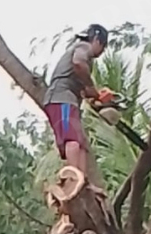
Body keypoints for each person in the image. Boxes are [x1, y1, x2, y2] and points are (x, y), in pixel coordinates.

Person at [42, 23, 113, 183]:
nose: (102, 51)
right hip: (61, 98)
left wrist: (99, 96)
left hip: (69, 100)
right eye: (103, 46)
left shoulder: (88, 61)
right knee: (72, 141)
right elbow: (78, 63)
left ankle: (81, 181)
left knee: (80, 144)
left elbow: (85, 91)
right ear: (96, 40)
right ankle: (73, 180)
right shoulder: (84, 47)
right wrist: (92, 87)